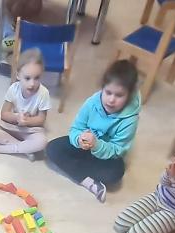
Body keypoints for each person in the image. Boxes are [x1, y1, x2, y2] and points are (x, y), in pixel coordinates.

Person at [45, 59, 140, 201]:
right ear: (102, 88)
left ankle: (77, 170)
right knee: (52, 148)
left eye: (119, 95)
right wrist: (79, 139)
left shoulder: (130, 119)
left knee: (116, 174)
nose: (111, 100)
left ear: (129, 96)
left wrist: (97, 145)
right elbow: (76, 128)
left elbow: (118, 150)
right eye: (108, 92)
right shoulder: (92, 103)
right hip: (84, 147)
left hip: (106, 154)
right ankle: (87, 181)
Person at [0, 48, 50, 160]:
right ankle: (25, 149)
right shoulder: (14, 89)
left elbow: (41, 119)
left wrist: (27, 121)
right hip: (12, 125)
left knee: (42, 142)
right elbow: (4, 114)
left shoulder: (43, 93)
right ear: (18, 75)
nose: (32, 84)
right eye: (27, 78)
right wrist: (17, 118)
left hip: (31, 130)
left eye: (37, 78)